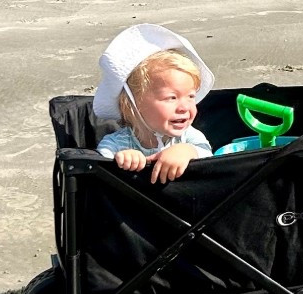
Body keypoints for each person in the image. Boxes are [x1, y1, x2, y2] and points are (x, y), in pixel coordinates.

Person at [92, 24, 215, 184]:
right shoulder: (116, 143)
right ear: (134, 105)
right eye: (172, 98)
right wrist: (122, 158)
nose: (185, 107)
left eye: (191, 96)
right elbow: (101, 164)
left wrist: (187, 150)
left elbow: (209, 157)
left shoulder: (189, 137)